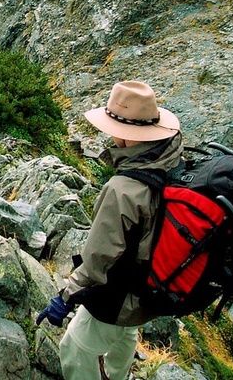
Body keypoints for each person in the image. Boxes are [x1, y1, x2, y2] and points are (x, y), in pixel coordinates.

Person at [36, 81, 183, 380]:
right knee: (126, 334)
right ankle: (118, 374)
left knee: (74, 347)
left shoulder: (122, 190)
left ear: (127, 135)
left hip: (119, 294)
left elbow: (98, 258)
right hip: (149, 288)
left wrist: (65, 298)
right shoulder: (171, 158)